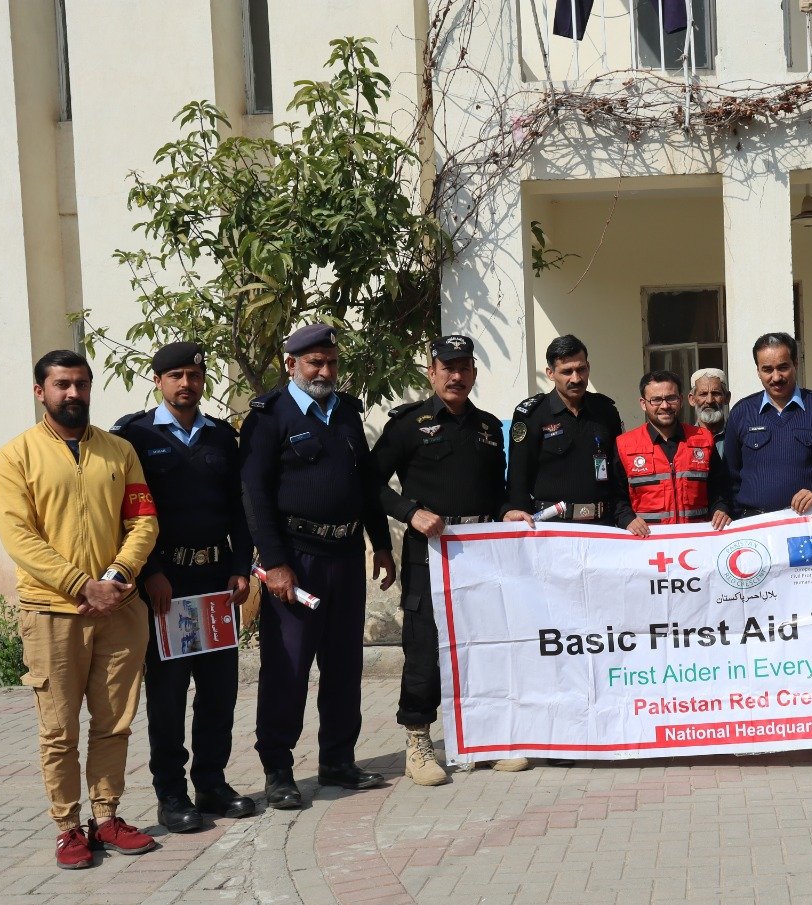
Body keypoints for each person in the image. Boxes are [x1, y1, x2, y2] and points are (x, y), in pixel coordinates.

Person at [0, 350, 161, 869]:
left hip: (119, 607)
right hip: (52, 612)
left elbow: (144, 522)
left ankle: (106, 817)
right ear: (40, 392)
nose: (74, 394)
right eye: (62, 385)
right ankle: (68, 828)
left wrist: (116, 577)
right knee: (59, 729)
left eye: (82, 384)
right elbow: (19, 537)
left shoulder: (119, 451)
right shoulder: (14, 457)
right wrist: (78, 584)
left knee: (115, 722)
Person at [241, 323, 396, 810]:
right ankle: (279, 768)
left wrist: (381, 544)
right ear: (292, 365)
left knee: (344, 663)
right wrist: (277, 563)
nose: (325, 371)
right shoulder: (269, 418)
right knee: (287, 666)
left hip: (346, 556)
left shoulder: (347, 412)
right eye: (315, 363)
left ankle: (338, 759)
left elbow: (364, 483)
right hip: (297, 561)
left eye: (331, 362)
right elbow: (255, 498)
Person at [112, 342, 255, 832]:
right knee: (169, 697)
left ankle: (211, 784)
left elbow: (239, 508)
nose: (185, 384)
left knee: (219, 692)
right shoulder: (134, 435)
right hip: (165, 584)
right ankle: (171, 794)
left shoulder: (220, 436)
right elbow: (126, 512)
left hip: (216, 583)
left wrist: (240, 565)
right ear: (157, 381)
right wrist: (147, 570)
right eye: (175, 375)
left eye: (194, 375)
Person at [373, 335, 526, 785]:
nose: (456, 376)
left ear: (474, 373)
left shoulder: (485, 427)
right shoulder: (407, 424)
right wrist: (408, 511)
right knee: (424, 647)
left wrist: (506, 511)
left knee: (482, 643)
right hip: (429, 554)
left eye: (464, 368)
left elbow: (494, 491)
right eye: (447, 367)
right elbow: (370, 483)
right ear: (431, 371)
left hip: (479, 553)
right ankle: (418, 740)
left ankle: (483, 739)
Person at [725, 332, 812, 516]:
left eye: (783, 367)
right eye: (767, 369)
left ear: (796, 364)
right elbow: (729, 478)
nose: (776, 377)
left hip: (807, 524)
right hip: (755, 527)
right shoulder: (741, 413)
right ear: (758, 371)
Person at [505, 334, 627, 528]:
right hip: (552, 527)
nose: (576, 378)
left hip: (601, 525)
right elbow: (518, 479)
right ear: (550, 373)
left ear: (588, 367)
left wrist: (624, 516)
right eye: (567, 371)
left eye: (581, 369)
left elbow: (618, 473)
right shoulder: (532, 415)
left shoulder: (606, 411)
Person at [618, 369, 734, 535]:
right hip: (647, 545)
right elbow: (616, 496)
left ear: (681, 400)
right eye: (656, 400)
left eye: (671, 398)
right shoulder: (625, 444)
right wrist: (627, 518)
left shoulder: (704, 440)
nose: (665, 406)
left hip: (696, 541)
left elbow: (719, 488)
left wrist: (721, 508)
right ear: (643, 403)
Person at [689, 367, 731, 456]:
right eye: (703, 394)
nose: (709, 400)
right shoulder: (685, 439)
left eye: (716, 393)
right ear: (692, 399)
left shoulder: (737, 436)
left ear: (727, 398)